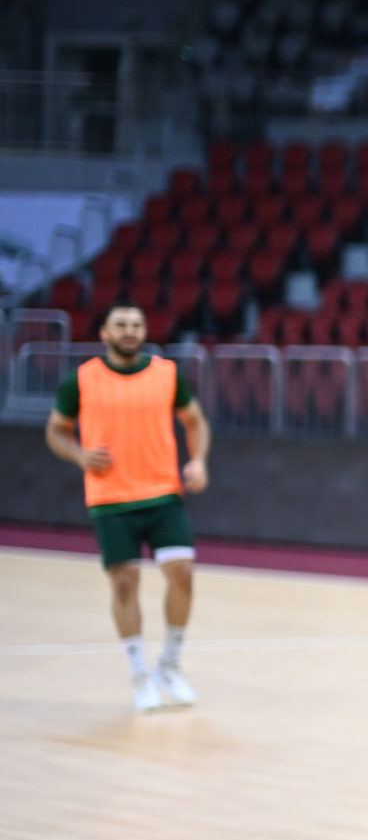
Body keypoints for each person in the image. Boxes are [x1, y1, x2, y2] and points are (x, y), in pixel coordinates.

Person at [43, 304, 212, 712]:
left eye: (137, 324)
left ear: (145, 331)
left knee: (183, 573)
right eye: (120, 325)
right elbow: (56, 430)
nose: (129, 331)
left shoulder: (166, 374)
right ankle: (139, 674)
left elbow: (196, 420)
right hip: (110, 498)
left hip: (163, 492)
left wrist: (198, 460)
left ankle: (169, 664)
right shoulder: (81, 380)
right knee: (124, 583)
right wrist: (79, 455)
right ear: (104, 333)